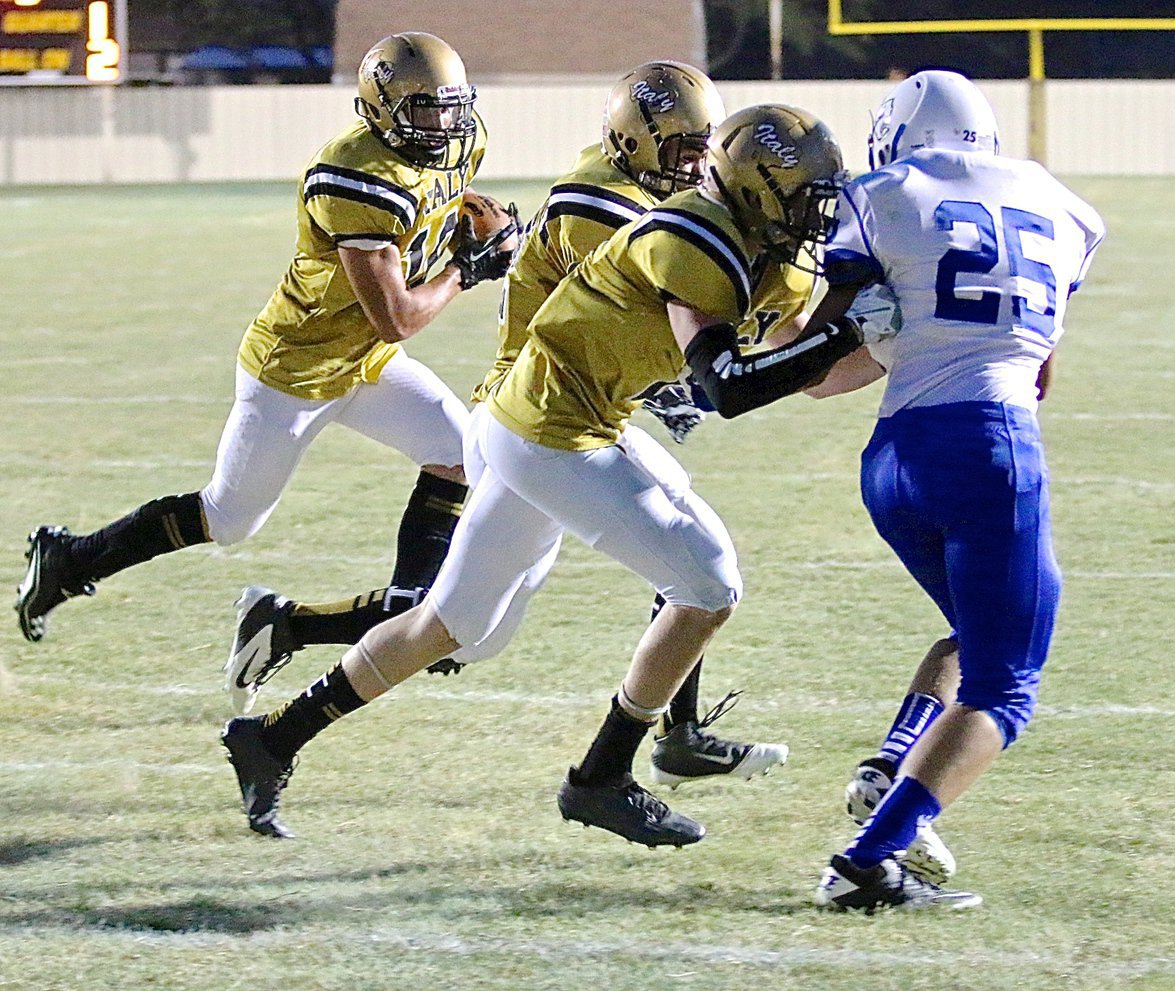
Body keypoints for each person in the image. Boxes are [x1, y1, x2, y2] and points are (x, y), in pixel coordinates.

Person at [220, 103, 871, 843]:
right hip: (548, 430)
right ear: (752, 189)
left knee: (451, 625)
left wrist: (884, 342)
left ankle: (270, 738)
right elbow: (729, 385)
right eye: (800, 194)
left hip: (546, 417)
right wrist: (847, 323)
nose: (815, 213)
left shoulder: (773, 252)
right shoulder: (696, 236)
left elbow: (810, 372)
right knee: (708, 580)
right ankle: (603, 776)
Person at [14, 33, 515, 645]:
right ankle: (72, 559)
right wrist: (468, 269)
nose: (444, 123)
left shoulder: (463, 140)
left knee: (461, 456)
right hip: (296, 370)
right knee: (229, 518)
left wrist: (472, 229)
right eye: (426, 109)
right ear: (381, 108)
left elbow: (432, 208)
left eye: (452, 105)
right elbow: (398, 319)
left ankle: (409, 617)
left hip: (366, 361)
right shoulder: (353, 177)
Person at [803, 70, 1104, 911]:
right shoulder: (1061, 205)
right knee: (1005, 686)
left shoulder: (879, 193)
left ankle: (888, 767)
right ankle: (867, 863)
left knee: (971, 636)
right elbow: (1038, 366)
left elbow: (828, 369)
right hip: (991, 451)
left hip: (892, 461)